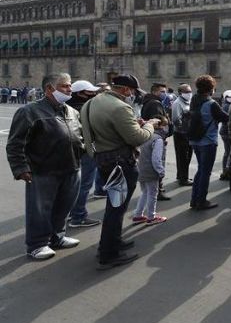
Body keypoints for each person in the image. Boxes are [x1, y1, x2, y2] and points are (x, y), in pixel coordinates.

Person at [81, 74, 159, 269]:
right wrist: (150, 125)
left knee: (115, 206)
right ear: (125, 90)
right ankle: (108, 254)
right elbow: (137, 138)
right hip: (120, 162)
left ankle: (113, 242)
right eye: (132, 91)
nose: (132, 95)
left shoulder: (92, 102)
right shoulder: (120, 107)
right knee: (116, 209)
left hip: (103, 158)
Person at [6, 73, 84, 260]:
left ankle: (57, 237)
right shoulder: (29, 111)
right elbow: (15, 143)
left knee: (64, 206)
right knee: (40, 210)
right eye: (65, 86)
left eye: (70, 85)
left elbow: (78, 136)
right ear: (49, 88)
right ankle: (37, 244)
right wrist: (21, 168)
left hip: (71, 168)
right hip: (43, 171)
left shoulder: (72, 111)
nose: (70, 89)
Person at [188, 75, 229, 210]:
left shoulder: (194, 100)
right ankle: (201, 201)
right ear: (211, 89)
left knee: (201, 170)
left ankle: (194, 199)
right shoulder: (211, 104)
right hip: (208, 141)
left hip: (195, 140)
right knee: (205, 172)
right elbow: (225, 118)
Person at [67, 80, 103, 228]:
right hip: (86, 149)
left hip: (73, 150)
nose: (94, 94)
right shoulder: (84, 108)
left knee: (75, 184)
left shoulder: (67, 106)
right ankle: (78, 216)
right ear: (80, 93)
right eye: (90, 92)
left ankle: (73, 213)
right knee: (85, 184)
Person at [132, 117, 169, 225]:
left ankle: (138, 215)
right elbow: (156, 158)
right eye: (165, 125)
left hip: (140, 168)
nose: (166, 128)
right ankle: (151, 217)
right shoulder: (158, 139)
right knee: (153, 193)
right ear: (160, 126)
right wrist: (160, 171)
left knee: (145, 192)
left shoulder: (144, 136)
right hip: (151, 170)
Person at [140, 83, 171, 201]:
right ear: (154, 92)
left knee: (153, 161)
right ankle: (158, 190)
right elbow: (158, 122)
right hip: (156, 137)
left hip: (151, 136)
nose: (164, 94)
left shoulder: (150, 101)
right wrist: (163, 135)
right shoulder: (155, 104)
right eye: (162, 91)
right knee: (158, 162)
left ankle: (155, 189)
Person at [171, 84, 194, 186]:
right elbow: (176, 120)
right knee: (183, 157)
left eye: (190, 91)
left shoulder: (189, 101)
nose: (189, 94)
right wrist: (183, 127)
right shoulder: (177, 103)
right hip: (181, 133)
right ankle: (184, 179)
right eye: (187, 92)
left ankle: (181, 175)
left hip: (188, 132)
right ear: (180, 93)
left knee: (187, 156)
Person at [219, 90, 231, 181]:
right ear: (226, 97)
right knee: (228, 152)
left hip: (225, 132)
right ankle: (226, 171)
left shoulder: (226, 105)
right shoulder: (226, 106)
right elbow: (228, 120)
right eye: (229, 96)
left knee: (228, 152)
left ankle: (225, 171)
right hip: (226, 132)